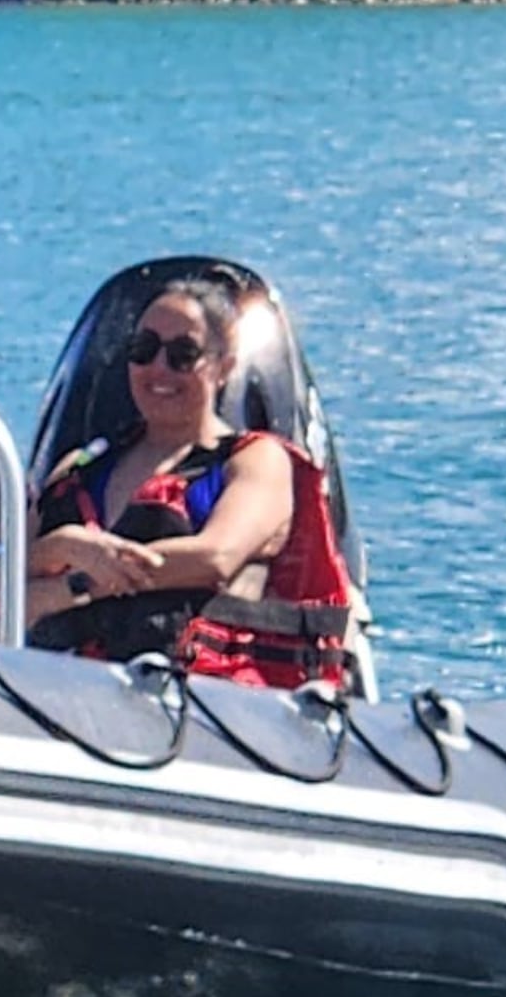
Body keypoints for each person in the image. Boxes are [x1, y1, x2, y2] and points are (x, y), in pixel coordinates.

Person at [26, 277, 359, 690]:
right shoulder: (78, 469)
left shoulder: (257, 461)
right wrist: (65, 547)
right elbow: (13, 576)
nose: (159, 369)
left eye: (182, 355)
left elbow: (215, 557)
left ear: (224, 365)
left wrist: (81, 580)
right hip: (61, 690)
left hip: (201, 702)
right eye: (144, 350)